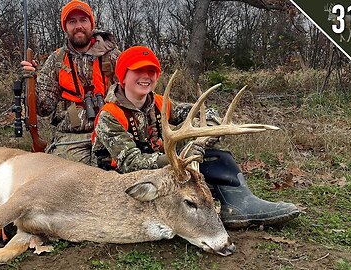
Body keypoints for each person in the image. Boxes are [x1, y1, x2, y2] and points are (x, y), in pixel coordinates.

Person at [91, 46, 300, 229]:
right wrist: (180, 159)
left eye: (151, 71)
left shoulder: (160, 104)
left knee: (215, 155)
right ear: (123, 76)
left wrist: (206, 133)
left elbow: (203, 112)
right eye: (138, 71)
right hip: (121, 178)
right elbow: (129, 163)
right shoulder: (109, 115)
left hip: (161, 164)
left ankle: (239, 204)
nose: (146, 76)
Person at [21, 0, 120, 164]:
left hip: (111, 130)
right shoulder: (56, 60)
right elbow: (44, 108)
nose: (78, 26)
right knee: (64, 183)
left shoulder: (114, 56)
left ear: (91, 23)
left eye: (83, 20)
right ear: (65, 27)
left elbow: (134, 94)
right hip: (70, 137)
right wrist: (32, 80)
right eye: (72, 21)